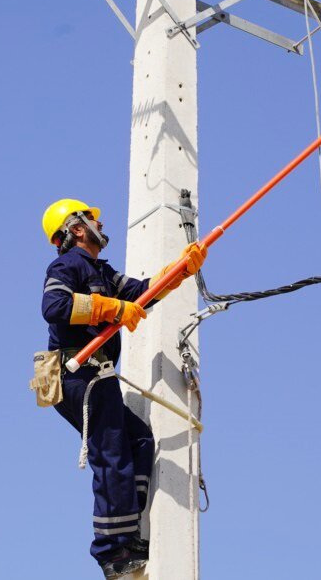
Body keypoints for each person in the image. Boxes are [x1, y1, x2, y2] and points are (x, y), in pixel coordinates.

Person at [40, 198, 206, 579]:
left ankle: (128, 536)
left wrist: (181, 270)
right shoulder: (67, 265)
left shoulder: (100, 270)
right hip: (78, 372)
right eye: (94, 219)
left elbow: (143, 292)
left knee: (138, 441)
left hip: (96, 373)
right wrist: (111, 310)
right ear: (77, 227)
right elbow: (55, 306)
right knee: (111, 452)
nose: (102, 223)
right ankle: (111, 552)